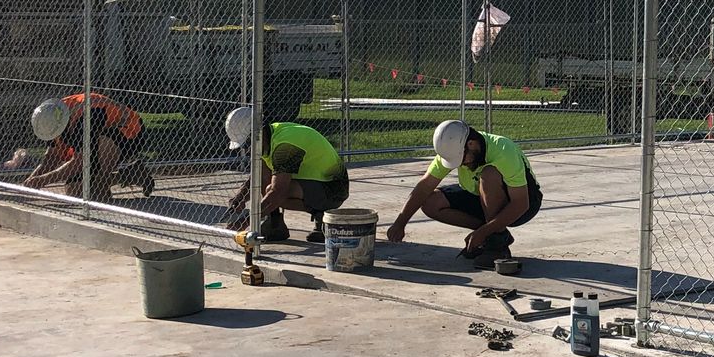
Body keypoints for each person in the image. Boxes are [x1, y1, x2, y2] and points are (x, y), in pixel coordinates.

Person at [385, 120, 544, 267]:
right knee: (431, 202)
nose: (461, 164)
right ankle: (496, 232)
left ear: (472, 144)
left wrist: (483, 232)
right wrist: (401, 221)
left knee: (489, 175)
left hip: (524, 203)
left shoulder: (503, 150)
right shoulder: (453, 148)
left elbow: (521, 203)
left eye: (462, 159)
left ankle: (495, 244)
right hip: (480, 196)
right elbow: (425, 186)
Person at [223, 105, 349, 243]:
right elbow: (258, 176)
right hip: (319, 182)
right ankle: (275, 225)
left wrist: (246, 220)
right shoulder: (269, 137)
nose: (246, 151)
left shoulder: (285, 146)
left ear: (257, 133)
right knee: (265, 178)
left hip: (334, 189)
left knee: (272, 190)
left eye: (247, 144)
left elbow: (278, 192)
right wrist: (240, 198)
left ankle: (322, 215)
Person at [25, 91, 144, 203]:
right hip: (94, 140)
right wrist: (30, 183)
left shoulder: (88, 116)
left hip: (129, 131)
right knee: (75, 192)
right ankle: (131, 174)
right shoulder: (53, 116)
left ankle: (104, 189)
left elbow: (80, 162)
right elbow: (51, 158)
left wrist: (43, 180)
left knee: (98, 192)